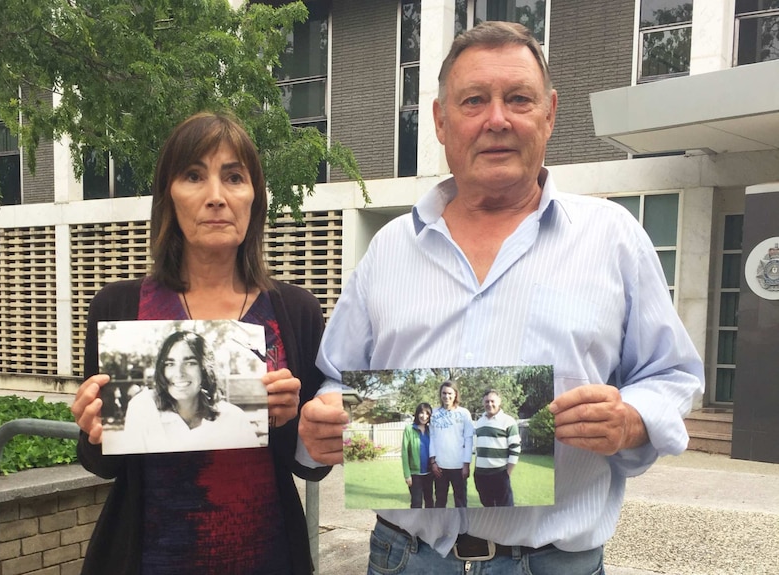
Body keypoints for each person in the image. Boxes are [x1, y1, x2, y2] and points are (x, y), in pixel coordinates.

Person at [299, 21, 704, 575]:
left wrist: (632, 419)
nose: (496, 119)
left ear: (550, 113)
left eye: (518, 99)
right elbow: (336, 378)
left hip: (552, 563)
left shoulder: (615, 238)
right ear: (441, 121)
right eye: (473, 101)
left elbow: (673, 374)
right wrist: (326, 417)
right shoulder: (390, 248)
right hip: (406, 559)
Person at [71, 111, 329, 575]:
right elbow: (103, 465)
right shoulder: (118, 307)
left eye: (234, 177)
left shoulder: (296, 312)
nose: (216, 197)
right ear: (168, 196)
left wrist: (297, 422)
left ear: (255, 198)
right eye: (193, 176)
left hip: (267, 557)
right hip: (147, 559)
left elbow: (311, 467)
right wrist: (92, 430)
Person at [120, 330, 260, 453]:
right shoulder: (143, 408)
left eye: (190, 363)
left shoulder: (234, 418)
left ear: (205, 369)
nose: (179, 373)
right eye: (170, 364)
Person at [428, 381, 474, 508]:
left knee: (461, 502)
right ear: (440, 394)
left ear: (455, 395)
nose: (446, 396)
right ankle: (440, 527)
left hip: (459, 467)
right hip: (439, 468)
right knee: (440, 502)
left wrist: (466, 464)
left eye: (450, 393)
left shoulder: (464, 413)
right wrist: (433, 462)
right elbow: (431, 437)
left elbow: (468, 439)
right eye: (444, 393)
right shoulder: (434, 413)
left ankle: (463, 527)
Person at [474, 389, 520, 507]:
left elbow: (515, 448)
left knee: (505, 510)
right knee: (488, 508)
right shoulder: (479, 422)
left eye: (492, 401)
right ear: (483, 403)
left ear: (499, 402)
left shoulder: (508, 421)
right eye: (486, 401)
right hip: (481, 475)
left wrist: (507, 473)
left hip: (499, 474)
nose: (489, 404)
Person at [401, 402, 433, 508]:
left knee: (429, 501)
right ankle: (415, 525)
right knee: (416, 503)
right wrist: (407, 474)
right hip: (415, 475)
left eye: (427, 414)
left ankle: (430, 523)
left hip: (429, 473)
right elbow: (404, 452)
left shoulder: (431, 430)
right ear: (417, 414)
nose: (424, 416)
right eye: (421, 413)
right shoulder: (409, 429)